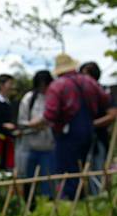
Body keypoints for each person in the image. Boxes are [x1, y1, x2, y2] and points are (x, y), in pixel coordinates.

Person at [30, 53, 111, 200]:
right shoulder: (89, 81)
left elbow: (50, 114)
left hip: (68, 134)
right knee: (86, 167)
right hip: (89, 129)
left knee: (68, 172)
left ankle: (71, 201)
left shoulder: (58, 86)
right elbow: (105, 99)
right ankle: (88, 198)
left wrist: (33, 124)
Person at [79, 61, 117, 193]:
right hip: (82, 138)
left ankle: (100, 198)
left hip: (98, 138)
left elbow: (112, 115)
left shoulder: (103, 91)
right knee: (82, 170)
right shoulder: (79, 93)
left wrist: (92, 125)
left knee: (99, 169)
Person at [17, 70, 55, 197]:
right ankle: (29, 205)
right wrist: (33, 125)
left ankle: (47, 205)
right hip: (30, 145)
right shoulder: (29, 99)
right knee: (28, 179)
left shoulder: (54, 97)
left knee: (47, 181)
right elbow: (21, 122)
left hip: (49, 146)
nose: (43, 89)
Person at [0, 74, 16, 170]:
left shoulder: (7, 101)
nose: (12, 87)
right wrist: (2, 125)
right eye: (10, 84)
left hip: (7, 139)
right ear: (1, 85)